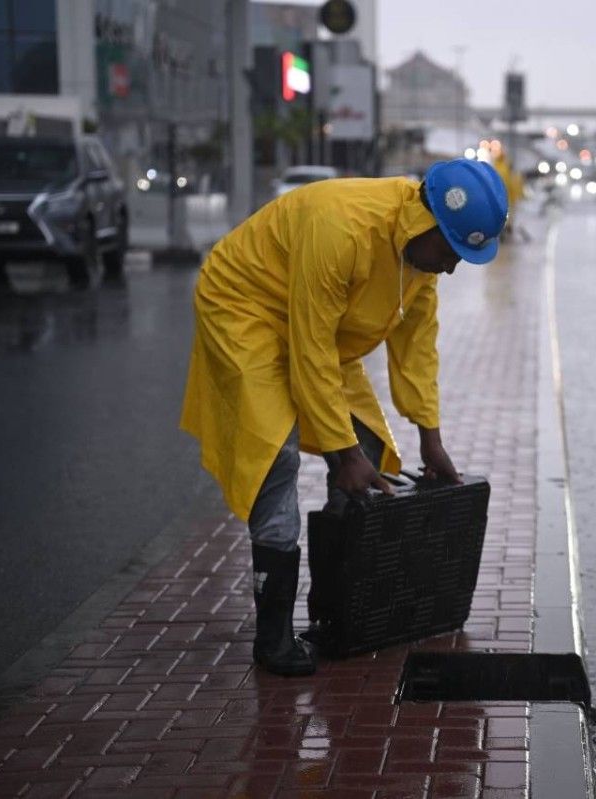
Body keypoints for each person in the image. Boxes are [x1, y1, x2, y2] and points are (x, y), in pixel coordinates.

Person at [180, 159, 509, 676]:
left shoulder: (417, 261)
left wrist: (430, 438)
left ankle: (338, 616)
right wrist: (341, 455)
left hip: (316, 321)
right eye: (450, 253)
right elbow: (310, 350)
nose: (450, 268)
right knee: (275, 452)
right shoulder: (343, 229)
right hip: (245, 304)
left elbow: (417, 349)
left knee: (370, 447)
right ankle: (273, 637)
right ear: (426, 225)